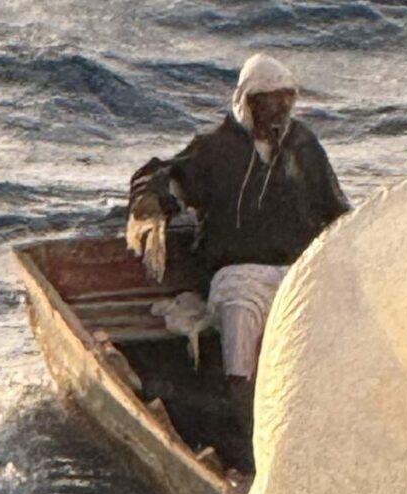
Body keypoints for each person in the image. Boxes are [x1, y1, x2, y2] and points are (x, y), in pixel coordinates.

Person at [127, 53, 350, 383]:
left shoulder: (303, 146)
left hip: (298, 272)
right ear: (249, 102)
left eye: (287, 98)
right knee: (240, 319)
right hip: (237, 276)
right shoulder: (215, 149)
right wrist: (150, 204)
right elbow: (163, 176)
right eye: (271, 100)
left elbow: (336, 211)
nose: (281, 107)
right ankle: (240, 401)